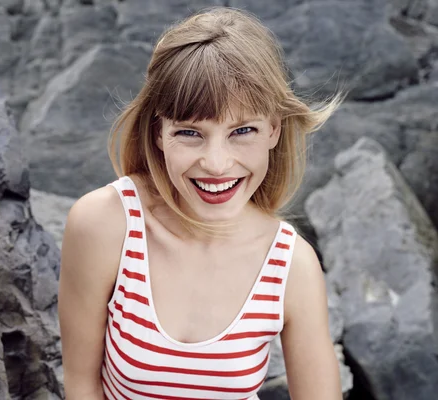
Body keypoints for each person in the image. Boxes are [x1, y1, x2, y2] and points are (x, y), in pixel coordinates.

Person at [58, 6, 343, 400]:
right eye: (190, 133)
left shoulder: (292, 267)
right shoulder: (105, 224)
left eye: (243, 130)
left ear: (274, 130)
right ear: (158, 133)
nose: (216, 164)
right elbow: (80, 382)